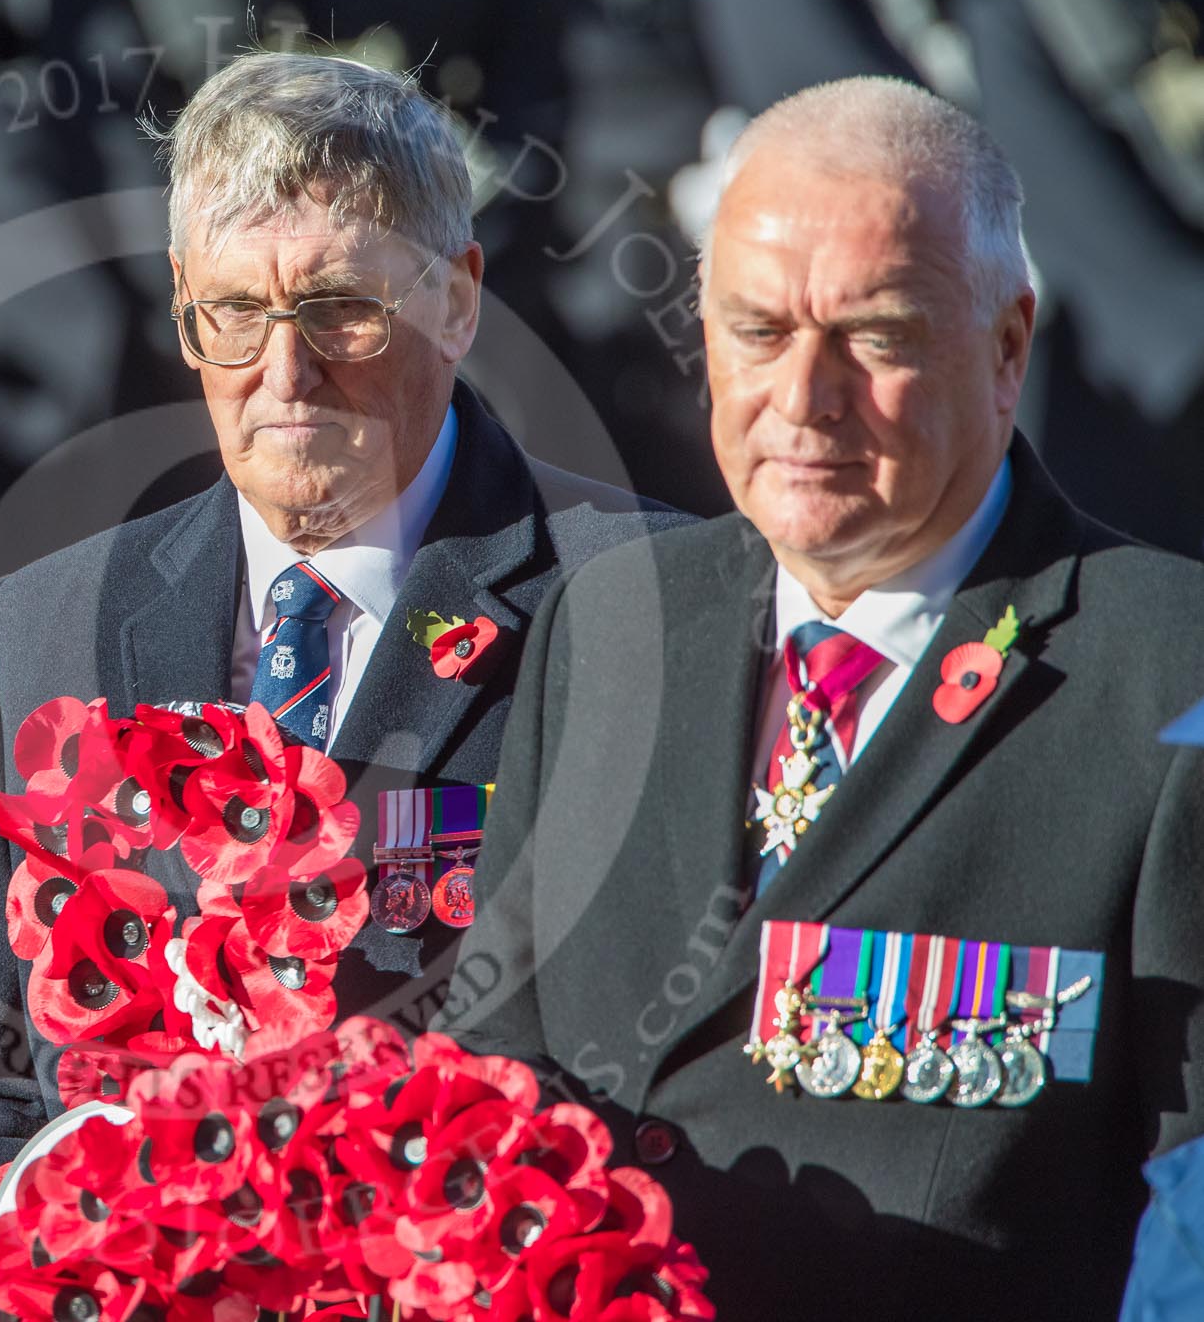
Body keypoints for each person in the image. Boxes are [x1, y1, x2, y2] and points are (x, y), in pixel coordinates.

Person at [440, 75, 1204, 1316]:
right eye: (756, 331)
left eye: (878, 336)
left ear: (1008, 346)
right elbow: (497, 1064)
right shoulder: (611, 624)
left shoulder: (1170, 680)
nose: (804, 398)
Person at [0, 50, 685, 1206]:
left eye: (343, 311)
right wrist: (55, 1209)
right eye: (237, 314)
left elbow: (676, 1075)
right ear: (181, 308)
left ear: (457, 300)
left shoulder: (647, 600)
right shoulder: (39, 628)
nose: (285, 372)